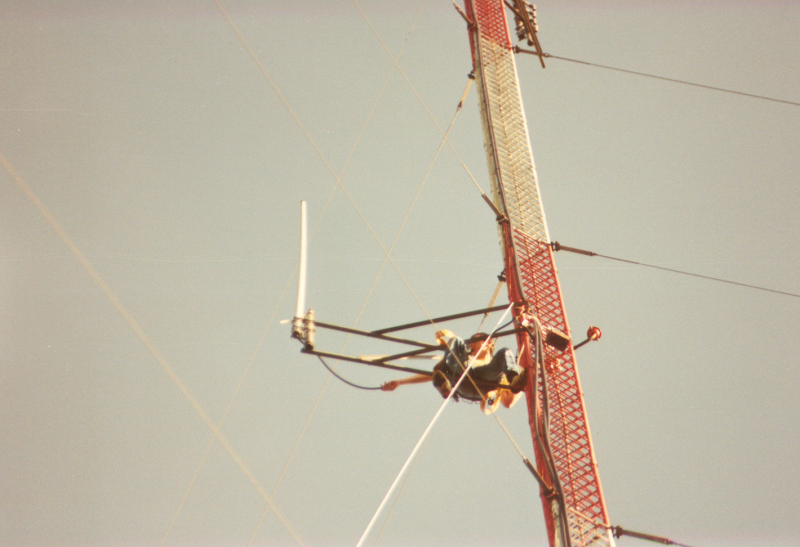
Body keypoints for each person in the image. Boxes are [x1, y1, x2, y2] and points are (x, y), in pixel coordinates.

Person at [381, 329, 526, 411]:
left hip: (486, 384)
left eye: (475, 341)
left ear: (488, 343)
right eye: (470, 342)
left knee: (506, 352)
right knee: (456, 340)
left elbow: (508, 403)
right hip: (462, 378)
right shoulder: (465, 358)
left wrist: (519, 382)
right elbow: (430, 375)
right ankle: (445, 384)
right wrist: (401, 382)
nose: (471, 344)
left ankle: (515, 377)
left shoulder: (499, 367)